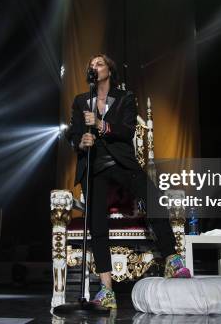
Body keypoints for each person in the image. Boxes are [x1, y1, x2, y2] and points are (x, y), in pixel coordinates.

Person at [68, 54, 191, 309]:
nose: (94, 67)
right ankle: (106, 290)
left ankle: (171, 258)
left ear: (110, 70)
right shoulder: (80, 101)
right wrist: (81, 141)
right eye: (90, 65)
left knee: (154, 196)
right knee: (97, 224)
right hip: (94, 167)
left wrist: (101, 125)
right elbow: (72, 134)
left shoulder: (125, 97)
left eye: (99, 63)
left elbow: (127, 131)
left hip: (121, 163)